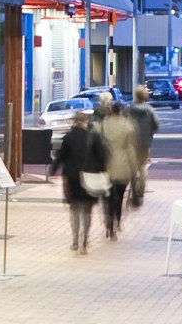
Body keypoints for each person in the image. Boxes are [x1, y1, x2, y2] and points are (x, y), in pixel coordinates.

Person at [58, 103, 109, 253]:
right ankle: (84, 242)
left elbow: (61, 156)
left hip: (72, 178)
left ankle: (75, 240)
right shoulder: (93, 137)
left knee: (74, 209)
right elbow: (103, 157)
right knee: (87, 210)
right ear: (85, 121)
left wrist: (55, 169)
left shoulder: (68, 137)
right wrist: (103, 171)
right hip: (89, 177)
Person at [98, 90, 140, 239]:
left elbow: (98, 145)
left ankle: (108, 223)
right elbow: (130, 148)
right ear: (120, 111)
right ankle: (117, 222)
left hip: (106, 166)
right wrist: (135, 169)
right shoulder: (127, 126)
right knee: (119, 197)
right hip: (123, 166)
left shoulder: (103, 125)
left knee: (107, 196)